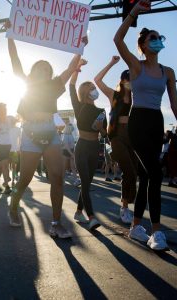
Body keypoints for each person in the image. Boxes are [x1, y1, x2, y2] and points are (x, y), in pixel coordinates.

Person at [114, 0, 177, 250]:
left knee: (146, 175)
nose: (157, 40)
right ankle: (157, 232)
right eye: (152, 38)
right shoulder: (136, 66)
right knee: (155, 173)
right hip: (138, 122)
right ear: (144, 46)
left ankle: (136, 227)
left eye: (159, 37)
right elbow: (117, 39)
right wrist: (133, 13)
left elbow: (175, 104)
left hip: (156, 121)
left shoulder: (168, 71)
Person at [6, 20, 86, 238]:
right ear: (33, 71)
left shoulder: (54, 86)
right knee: (25, 178)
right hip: (30, 134)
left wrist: (80, 48)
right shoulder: (26, 84)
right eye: (40, 67)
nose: (44, 69)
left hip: (50, 133)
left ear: (50, 73)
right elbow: (15, 61)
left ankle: (56, 223)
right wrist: (10, 35)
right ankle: (13, 207)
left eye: (47, 68)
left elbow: (70, 69)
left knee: (57, 177)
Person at [95, 58, 137, 224]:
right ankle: (124, 207)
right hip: (117, 135)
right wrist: (111, 63)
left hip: (132, 135)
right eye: (131, 79)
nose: (133, 83)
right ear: (124, 80)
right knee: (129, 170)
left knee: (134, 172)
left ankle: (127, 204)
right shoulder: (113, 95)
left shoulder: (136, 98)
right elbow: (97, 80)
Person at [68, 58, 107, 231]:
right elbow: (71, 86)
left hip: (94, 147)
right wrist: (77, 68)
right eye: (91, 88)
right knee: (85, 182)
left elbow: (107, 135)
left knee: (87, 183)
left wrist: (102, 129)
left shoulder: (101, 111)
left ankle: (78, 212)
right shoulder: (79, 107)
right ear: (85, 92)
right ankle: (91, 217)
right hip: (82, 147)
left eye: (94, 88)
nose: (94, 90)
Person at [0, 103, 16, 194]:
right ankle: (7, 186)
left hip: (8, 145)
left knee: (1, 165)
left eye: (5, 109)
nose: (5, 111)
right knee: (5, 164)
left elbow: (19, 119)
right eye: (3, 109)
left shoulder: (9, 118)